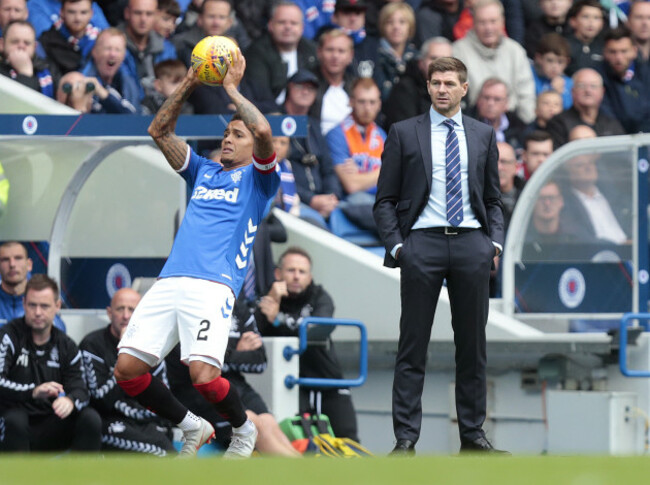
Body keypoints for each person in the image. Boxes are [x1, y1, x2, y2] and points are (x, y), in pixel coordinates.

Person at [112, 48, 280, 458]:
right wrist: (189, 80)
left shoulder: (259, 183)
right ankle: (193, 425)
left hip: (213, 285)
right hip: (171, 280)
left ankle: (243, 431)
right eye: (226, 133)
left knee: (204, 376)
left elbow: (262, 132)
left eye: (235, 135)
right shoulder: (203, 171)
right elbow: (158, 131)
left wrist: (231, 90)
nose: (228, 138)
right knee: (128, 372)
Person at [373, 57, 506, 454]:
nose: (441, 89)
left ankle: (472, 436)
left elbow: (494, 199)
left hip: (471, 245)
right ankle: (406, 440)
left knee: (472, 346)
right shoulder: (403, 132)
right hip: (422, 244)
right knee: (412, 345)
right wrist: (400, 247)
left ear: (465, 88)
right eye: (435, 82)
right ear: (427, 87)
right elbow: (384, 201)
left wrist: (492, 245)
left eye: (449, 83)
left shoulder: (483, 135)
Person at [165, 299, 301, 457]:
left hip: (234, 384)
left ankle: (302, 468)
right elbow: (195, 360)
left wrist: (227, 355)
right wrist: (237, 352)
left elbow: (260, 360)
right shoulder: (189, 307)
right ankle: (304, 474)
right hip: (196, 389)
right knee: (252, 422)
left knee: (268, 422)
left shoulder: (238, 307)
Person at [256, 246, 359, 442]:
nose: (296, 276)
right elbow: (253, 331)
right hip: (290, 387)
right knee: (296, 444)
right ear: (278, 273)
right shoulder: (268, 298)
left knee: (349, 441)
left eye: (302, 272)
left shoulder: (320, 296)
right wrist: (272, 299)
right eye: (290, 270)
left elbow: (320, 327)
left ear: (309, 276)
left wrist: (279, 320)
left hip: (328, 383)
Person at [0, 274, 102, 452]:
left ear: (57, 306)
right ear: (24, 304)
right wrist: (33, 392)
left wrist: (70, 400)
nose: (38, 312)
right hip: (14, 420)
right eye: (32, 305)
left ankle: (83, 478)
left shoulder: (66, 345)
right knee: (15, 420)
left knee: (90, 418)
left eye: (44, 306)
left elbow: (80, 387)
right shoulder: (8, 336)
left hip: (52, 420)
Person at [80, 288, 176, 455]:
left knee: (172, 454)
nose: (125, 316)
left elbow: (162, 399)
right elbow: (100, 400)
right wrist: (126, 352)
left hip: (145, 424)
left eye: (132, 310)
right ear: (110, 313)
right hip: (109, 423)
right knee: (163, 453)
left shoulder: (153, 346)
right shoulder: (92, 345)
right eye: (120, 309)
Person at [452, 0, 536, 123]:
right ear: (473, 23)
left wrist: (527, 125)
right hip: (472, 120)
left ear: (502, 22)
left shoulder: (515, 50)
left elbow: (526, 95)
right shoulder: (457, 51)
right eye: (482, 22)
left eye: (493, 21)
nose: (488, 28)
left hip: (513, 123)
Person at [283, 69, 343, 226]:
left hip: (324, 202)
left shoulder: (314, 125)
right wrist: (311, 200)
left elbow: (329, 169)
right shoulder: (275, 121)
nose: (305, 92)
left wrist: (332, 196)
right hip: (293, 201)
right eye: (300, 87)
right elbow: (276, 172)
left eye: (310, 88)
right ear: (289, 88)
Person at [243, 0, 318, 107]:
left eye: (293, 23)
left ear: (302, 28)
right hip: (270, 117)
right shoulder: (256, 52)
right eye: (282, 22)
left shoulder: (312, 50)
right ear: (270, 25)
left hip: (307, 116)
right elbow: (260, 95)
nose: (288, 27)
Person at [383, 36, 453, 129]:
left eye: (446, 60)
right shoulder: (404, 89)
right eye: (433, 58)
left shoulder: (458, 88)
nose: (439, 64)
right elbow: (406, 135)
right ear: (421, 62)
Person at [545, 68, 625, 148]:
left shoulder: (612, 124)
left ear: (602, 92)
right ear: (572, 91)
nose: (588, 90)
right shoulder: (558, 123)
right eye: (581, 86)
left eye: (593, 86)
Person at [0, 241, 66, 331]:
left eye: (18, 258)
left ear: (29, 265)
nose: (12, 265)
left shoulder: (44, 303)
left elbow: (58, 337)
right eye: (5, 259)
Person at [119, 0, 177, 97]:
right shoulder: (112, 46)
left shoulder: (167, 49)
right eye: (138, 13)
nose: (143, 19)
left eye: (149, 14)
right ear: (127, 13)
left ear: (156, 15)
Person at [599, 26, 650, 134]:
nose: (619, 58)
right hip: (614, 140)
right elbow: (605, 115)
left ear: (634, 51)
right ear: (605, 53)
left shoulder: (646, 74)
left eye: (624, 51)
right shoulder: (597, 77)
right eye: (613, 52)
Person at [173, 0, 250, 67]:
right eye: (211, 16)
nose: (216, 22)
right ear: (199, 19)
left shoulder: (239, 47)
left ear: (229, 22)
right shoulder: (179, 45)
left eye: (222, 17)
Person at [81, 27, 141, 113]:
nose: (112, 54)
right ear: (94, 52)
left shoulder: (130, 83)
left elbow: (135, 119)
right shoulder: (82, 78)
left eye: (117, 50)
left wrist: (105, 95)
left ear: (124, 55)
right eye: (107, 48)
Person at [311, 28, 355, 135]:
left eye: (341, 51)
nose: (335, 56)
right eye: (329, 50)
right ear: (319, 52)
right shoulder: (306, 84)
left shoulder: (356, 86)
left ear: (350, 56)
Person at [0, 20, 59, 99]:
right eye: (15, 42)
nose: (21, 46)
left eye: (27, 43)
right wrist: (25, 73)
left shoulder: (48, 68)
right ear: (2, 44)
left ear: (34, 47)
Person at [38, 0, 99, 75]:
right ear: (62, 12)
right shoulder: (46, 41)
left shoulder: (99, 42)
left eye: (83, 12)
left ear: (91, 13)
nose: (78, 18)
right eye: (71, 12)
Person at [373, 2, 418, 102]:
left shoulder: (417, 58)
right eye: (390, 22)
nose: (396, 27)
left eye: (402, 22)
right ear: (382, 26)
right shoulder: (373, 55)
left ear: (410, 27)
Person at [472, 77, 526, 150]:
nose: (490, 103)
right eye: (486, 98)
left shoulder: (518, 127)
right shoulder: (466, 124)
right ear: (478, 99)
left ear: (506, 103)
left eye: (497, 99)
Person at [531, 33, 574, 110]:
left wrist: (560, 94)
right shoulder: (530, 76)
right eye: (550, 60)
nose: (555, 67)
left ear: (567, 62)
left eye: (560, 62)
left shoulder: (569, 84)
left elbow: (569, 111)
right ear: (539, 58)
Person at [565, 0, 606, 76]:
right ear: (573, 21)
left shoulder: (606, 46)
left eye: (596, 18)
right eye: (585, 17)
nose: (591, 22)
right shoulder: (563, 45)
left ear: (602, 23)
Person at [628, 0, 650, 65]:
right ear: (628, 22)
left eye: (649, 18)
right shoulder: (618, 55)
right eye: (639, 17)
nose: (645, 23)